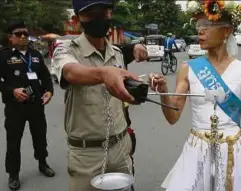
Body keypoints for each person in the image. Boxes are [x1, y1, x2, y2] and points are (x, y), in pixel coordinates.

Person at [149, 1, 241, 191]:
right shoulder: (188, 69)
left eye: (207, 25)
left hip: (234, 153)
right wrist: (163, 91)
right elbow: (173, 117)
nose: (200, 31)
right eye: (198, 26)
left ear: (227, 31)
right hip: (196, 151)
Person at [51, 0, 147, 190]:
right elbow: (70, 72)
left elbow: (120, 93)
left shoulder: (117, 53)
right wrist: (104, 73)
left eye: (103, 12)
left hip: (121, 147)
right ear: (77, 19)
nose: (97, 19)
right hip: (87, 154)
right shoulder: (66, 50)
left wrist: (137, 92)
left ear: (110, 14)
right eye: (90, 14)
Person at [0, 21, 55, 191]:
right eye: (18, 34)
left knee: (40, 136)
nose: (23, 36)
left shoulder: (36, 54)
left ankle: (43, 163)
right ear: (11, 38)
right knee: (13, 141)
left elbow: (46, 77)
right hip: (15, 106)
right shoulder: (4, 56)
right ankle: (13, 174)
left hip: (36, 105)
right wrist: (12, 91)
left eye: (25, 33)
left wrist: (49, 92)